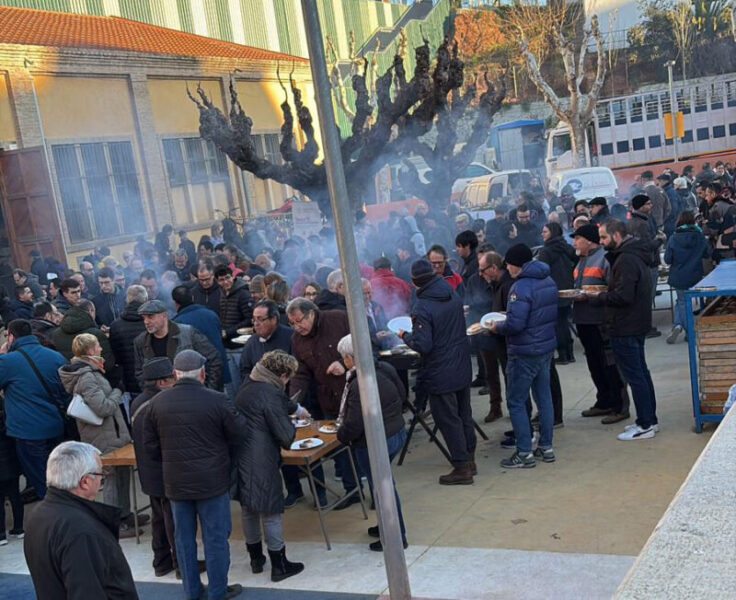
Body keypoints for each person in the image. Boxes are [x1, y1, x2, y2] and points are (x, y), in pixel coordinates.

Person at [144, 350, 245, 600]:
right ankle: (218, 591)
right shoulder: (218, 400)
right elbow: (238, 435)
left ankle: (191, 591)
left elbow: (150, 448)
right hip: (212, 482)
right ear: (202, 373)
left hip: (176, 484)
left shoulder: (157, 403)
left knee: (184, 539)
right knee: (216, 539)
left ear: (175, 374)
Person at [23, 441, 138, 599]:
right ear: (85, 482)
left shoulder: (39, 514)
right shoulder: (81, 531)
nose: (101, 480)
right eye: (101, 475)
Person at [400, 259, 475, 485]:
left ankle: (462, 467)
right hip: (461, 364)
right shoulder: (451, 294)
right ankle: (470, 460)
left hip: (440, 370)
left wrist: (405, 336)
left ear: (415, 283)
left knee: (448, 419)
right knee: (464, 415)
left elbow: (424, 345)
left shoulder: (422, 306)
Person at [58, 333, 138, 537]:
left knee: (122, 474)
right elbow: (102, 407)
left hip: (110, 433)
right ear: (90, 351)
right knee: (110, 476)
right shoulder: (86, 377)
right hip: (102, 435)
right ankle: (115, 524)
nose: (102, 349)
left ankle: (124, 515)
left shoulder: (89, 372)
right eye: (98, 347)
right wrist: (118, 391)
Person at [234, 350, 305, 581]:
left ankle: (256, 559)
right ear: (282, 375)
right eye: (288, 378)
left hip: (241, 455)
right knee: (270, 512)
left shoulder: (248, 384)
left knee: (249, 509)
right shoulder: (270, 393)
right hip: (262, 458)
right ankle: (280, 565)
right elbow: (286, 436)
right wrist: (294, 423)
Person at [486, 244, 557, 469]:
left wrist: (497, 327)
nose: (507, 267)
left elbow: (516, 324)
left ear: (518, 264)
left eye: (509, 263)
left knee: (516, 401)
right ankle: (546, 447)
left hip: (524, 352)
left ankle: (524, 452)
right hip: (544, 349)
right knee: (544, 398)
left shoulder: (520, 288)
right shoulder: (548, 280)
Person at [336, 335, 408, 551]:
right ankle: (386, 526)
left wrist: (341, 435)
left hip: (375, 441)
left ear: (350, 357)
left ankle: (396, 535)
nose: (343, 361)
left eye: (344, 358)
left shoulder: (360, 383)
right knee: (382, 486)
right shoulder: (385, 367)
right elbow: (402, 395)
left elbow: (355, 422)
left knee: (383, 488)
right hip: (396, 432)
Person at [287, 298, 357, 504]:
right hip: (328, 399)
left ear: (312, 314)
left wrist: (346, 367)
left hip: (354, 394)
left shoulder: (339, 319)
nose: (296, 327)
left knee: (361, 446)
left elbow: (365, 345)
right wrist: (294, 403)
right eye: (292, 323)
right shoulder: (297, 340)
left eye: (299, 321)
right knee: (339, 446)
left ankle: (374, 490)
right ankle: (351, 490)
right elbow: (300, 374)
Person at [597, 220, 659, 441]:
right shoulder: (631, 255)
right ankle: (649, 419)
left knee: (636, 376)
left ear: (617, 235)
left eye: (604, 237)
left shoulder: (626, 260)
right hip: (634, 323)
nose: (601, 242)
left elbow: (623, 296)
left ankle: (645, 424)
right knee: (641, 373)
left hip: (626, 326)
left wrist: (598, 296)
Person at [130, 357, 191, 577]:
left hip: (148, 473)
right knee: (173, 520)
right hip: (164, 472)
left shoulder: (138, 402)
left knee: (159, 519)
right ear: (162, 382)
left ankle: (161, 561)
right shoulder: (161, 405)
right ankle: (181, 565)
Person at [0, 320, 68, 499]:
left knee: (42, 481)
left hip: (28, 432)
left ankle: (55, 517)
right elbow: (66, 391)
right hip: (56, 426)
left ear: (11, 337)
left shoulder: (7, 362)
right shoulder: (55, 356)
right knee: (59, 477)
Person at [570, 224, 630, 424]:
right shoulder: (581, 261)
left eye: (577, 238)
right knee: (594, 363)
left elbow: (611, 289)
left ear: (589, 240)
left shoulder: (604, 258)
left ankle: (619, 406)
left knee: (609, 364)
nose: (574, 243)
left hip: (600, 320)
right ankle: (603, 400)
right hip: (584, 319)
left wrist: (591, 296)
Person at [134, 299, 223, 391]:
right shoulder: (141, 341)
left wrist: (208, 389)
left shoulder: (187, 333)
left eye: (150, 316)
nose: (146, 322)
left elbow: (214, 359)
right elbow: (140, 373)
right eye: (144, 318)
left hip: (191, 393)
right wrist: (150, 393)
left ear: (164, 315)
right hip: (160, 399)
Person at [473, 251, 510, 423]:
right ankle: (495, 407)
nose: (480, 274)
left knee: (508, 373)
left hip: (502, 335)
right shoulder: (475, 280)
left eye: (483, 269)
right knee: (490, 374)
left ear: (494, 267)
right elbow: (470, 302)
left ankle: (513, 408)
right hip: (483, 333)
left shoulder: (505, 283)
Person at [664, 211, 710, 344]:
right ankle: (681, 326)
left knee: (682, 301)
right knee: (684, 302)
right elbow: (707, 254)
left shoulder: (673, 238)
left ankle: (684, 328)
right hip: (695, 275)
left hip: (678, 275)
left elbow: (667, 259)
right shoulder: (700, 236)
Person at [171, 285, 229, 392]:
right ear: (192, 298)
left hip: (198, 379)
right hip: (219, 372)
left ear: (175, 303)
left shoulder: (178, 324)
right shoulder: (211, 314)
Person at [538, 222, 577, 364]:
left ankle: (563, 354)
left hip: (553, 290)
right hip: (568, 288)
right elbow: (576, 259)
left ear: (552, 233)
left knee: (558, 324)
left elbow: (542, 271)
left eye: (545, 231)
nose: (542, 234)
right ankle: (570, 353)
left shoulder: (546, 251)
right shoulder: (566, 247)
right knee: (564, 322)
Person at [51, 300, 117, 380]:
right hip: (95, 381)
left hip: (68, 380)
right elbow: (108, 363)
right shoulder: (95, 334)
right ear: (91, 311)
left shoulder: (55, 334)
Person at [109, 284, 148, 396]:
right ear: (145, 300)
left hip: (129, 382)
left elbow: (116, 357)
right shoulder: (152, 322)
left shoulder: (115, 325)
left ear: (127, 300)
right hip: (152, 379)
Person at [240, 300, 292, 381]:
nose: (256, 324)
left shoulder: (291, 337)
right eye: (254, 319)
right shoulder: (251, 342)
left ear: (274, 319)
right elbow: (245, 370)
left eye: (260, 319)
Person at [0, 397, 24, 545]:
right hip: (10, 461)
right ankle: (19, 528)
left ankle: (1, 534)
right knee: (15, 496)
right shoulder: (6, 408)